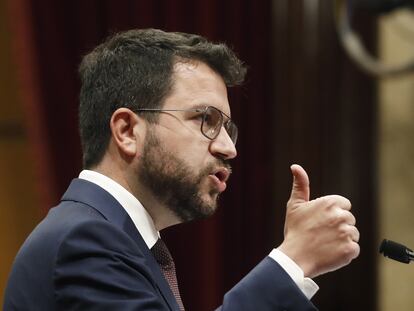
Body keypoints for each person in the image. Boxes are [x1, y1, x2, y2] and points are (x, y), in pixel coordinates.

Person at [4, 28, 360, 310]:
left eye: (228, 128)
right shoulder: (84, 240)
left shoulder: (113, 237)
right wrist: (293, 260)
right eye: (205, 119)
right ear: (127, 131)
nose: (228, 148)